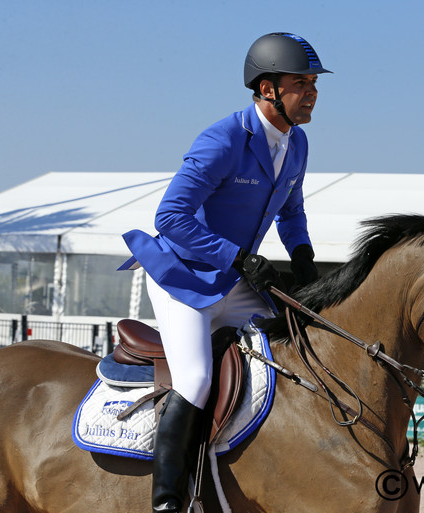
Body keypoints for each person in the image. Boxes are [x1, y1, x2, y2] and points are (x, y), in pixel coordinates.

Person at [118, 32, 331, 513]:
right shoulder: (223, 139)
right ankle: (168, 500)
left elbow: (291, 212)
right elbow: (169, 218)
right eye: (302, 82)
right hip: (181, 277)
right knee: (193, 380)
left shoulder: (296, 144)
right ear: (267, 89)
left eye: (314, 82)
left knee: (297, 345)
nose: (313, 92)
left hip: (234, 281)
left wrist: (302, 257)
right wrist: (238, 257)